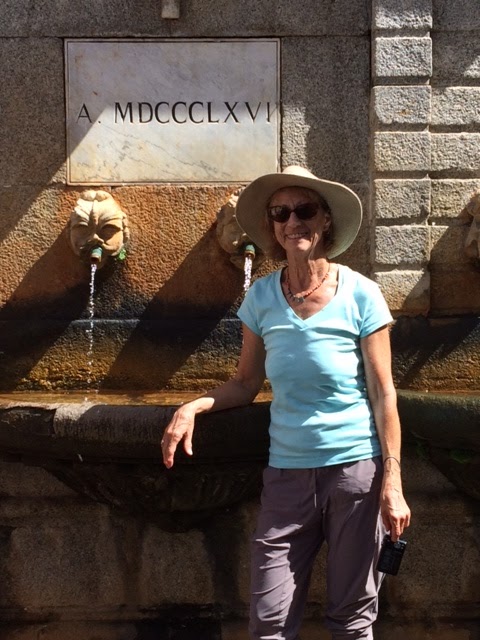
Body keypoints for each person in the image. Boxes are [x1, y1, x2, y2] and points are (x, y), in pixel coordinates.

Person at [161, 165, 411, 640]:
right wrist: (192, 406)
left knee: (352, 617)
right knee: (269, 620)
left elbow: (384, 393)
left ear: (325, 220)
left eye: (304, 210)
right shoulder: (261, 298)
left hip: (355, 473)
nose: (293, 221)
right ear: (272, 226)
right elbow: (245, 383)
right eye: (281, 213)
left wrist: (392, 482)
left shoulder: (362, 294)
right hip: (286, 476)